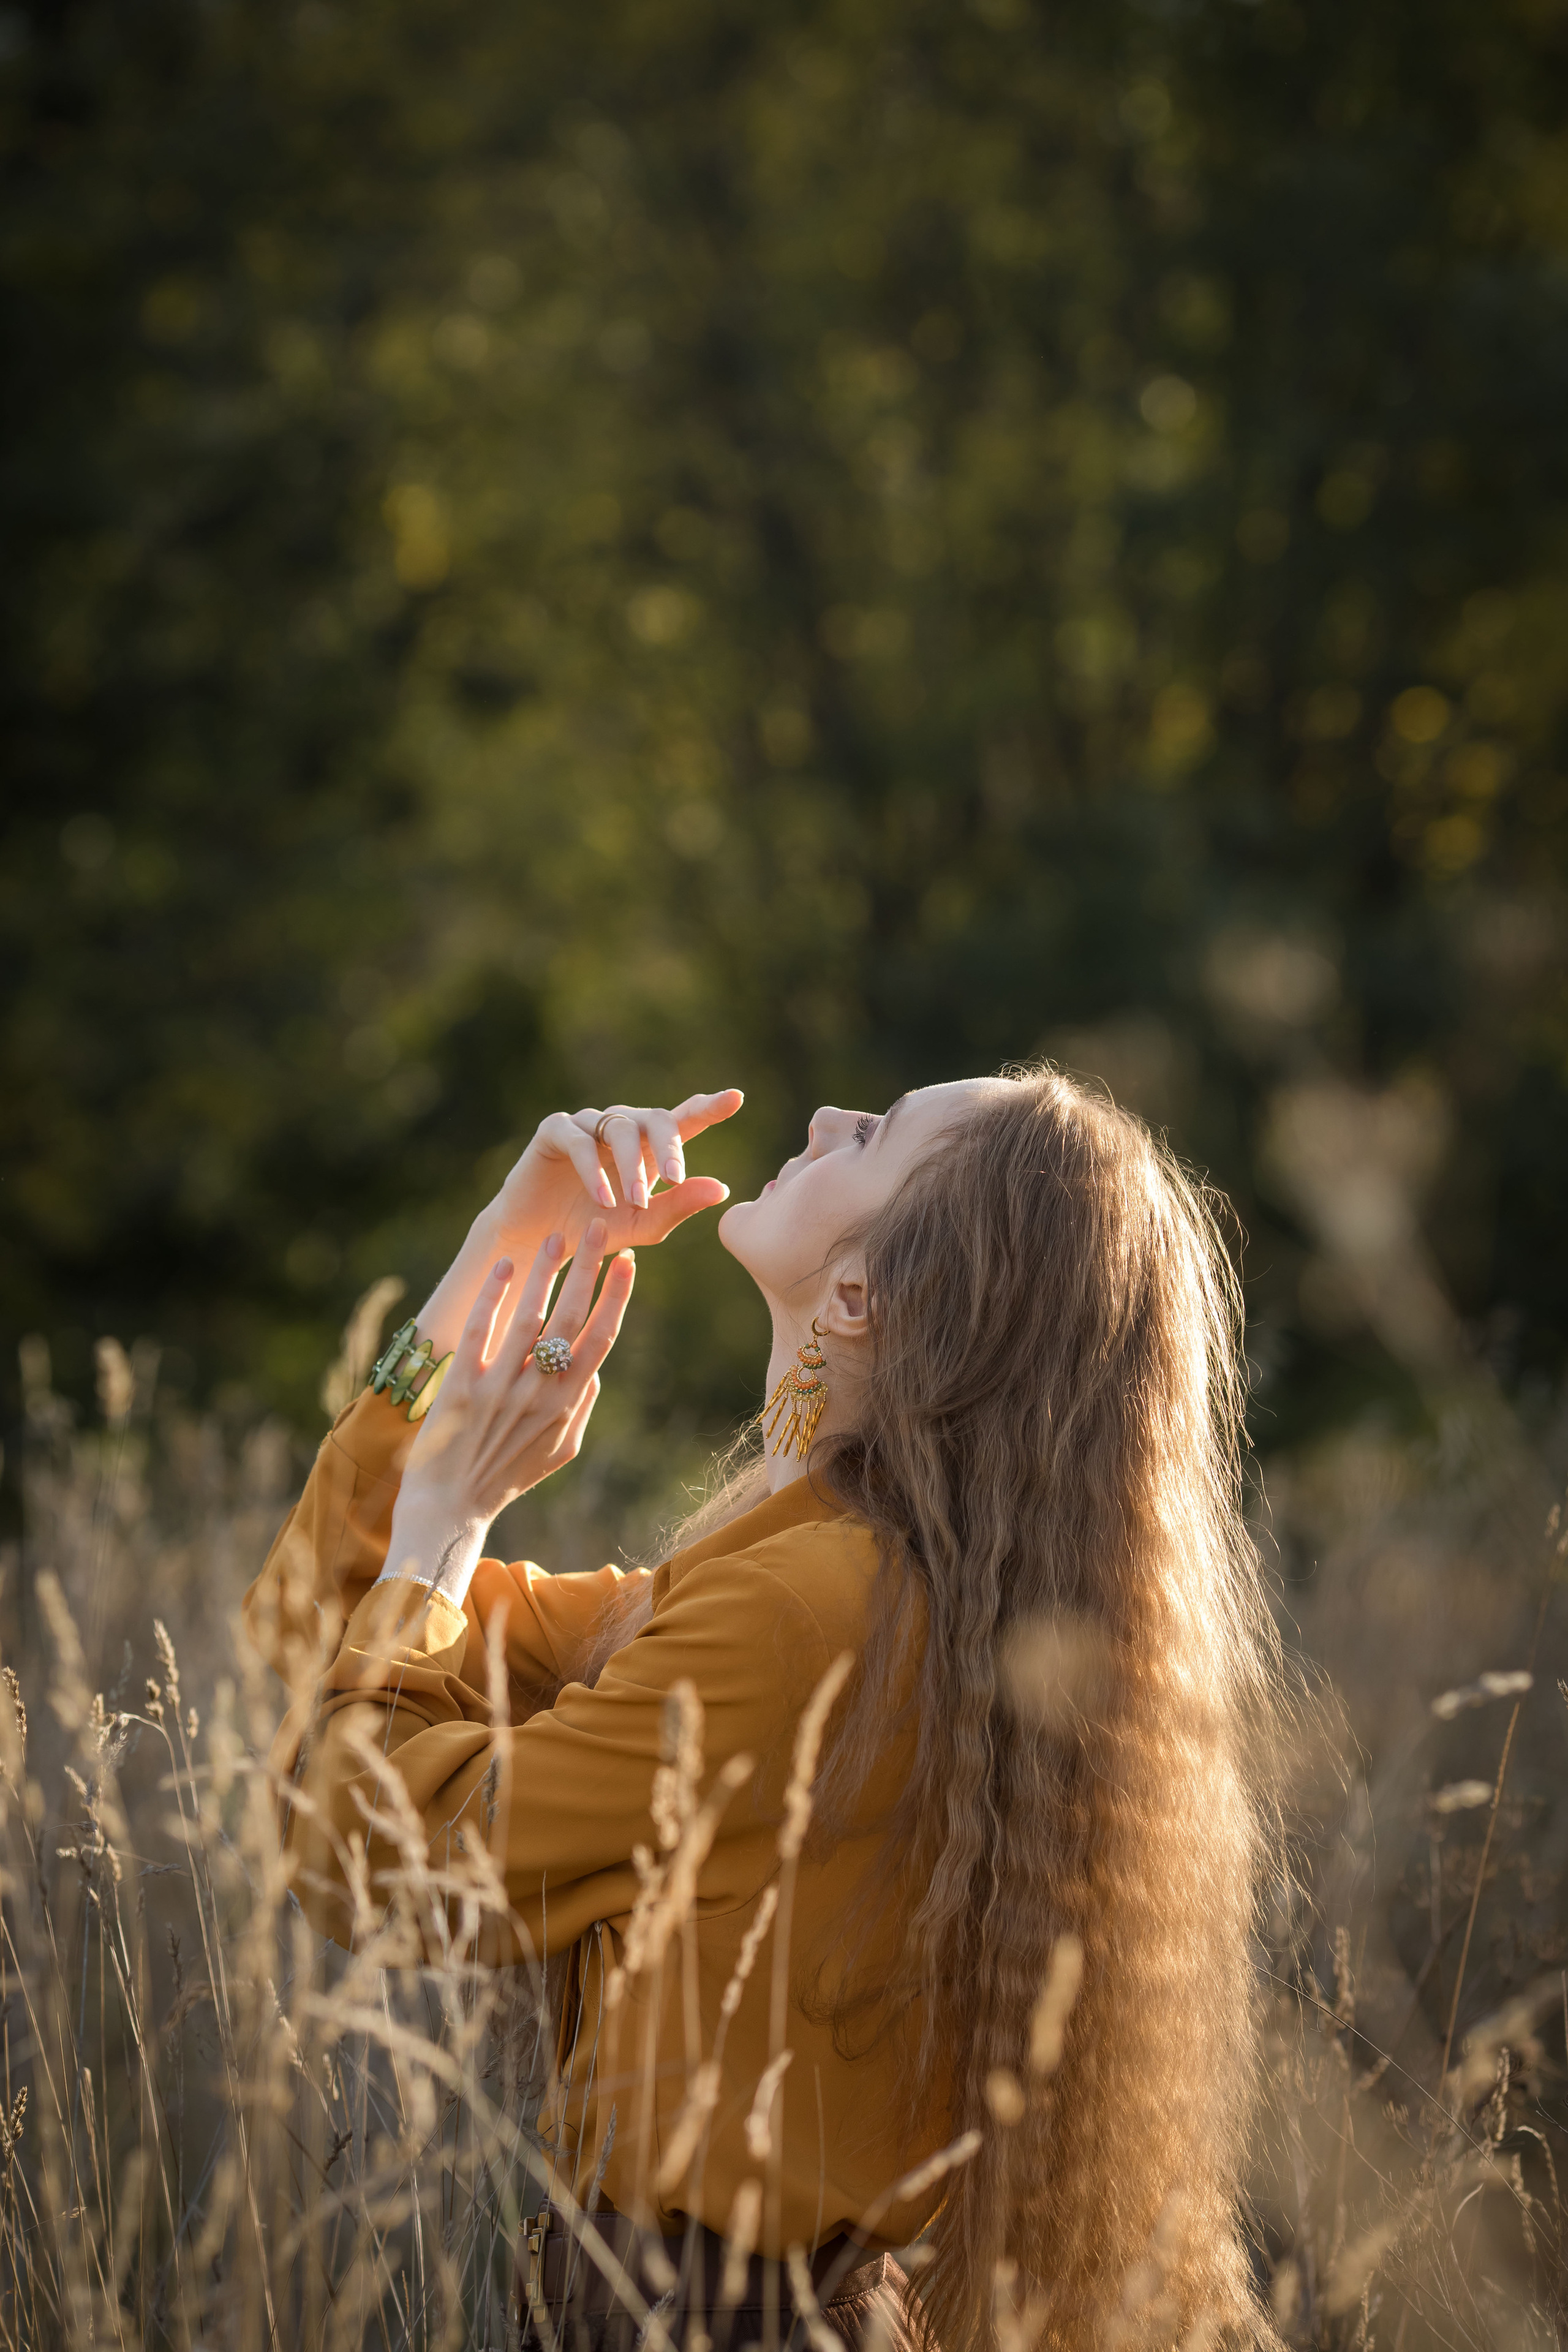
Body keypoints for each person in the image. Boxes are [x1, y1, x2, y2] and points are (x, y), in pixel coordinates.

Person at [245, 1072, 1282, 2352]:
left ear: (861, 1298)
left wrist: (449, 1528)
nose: (822, 1121)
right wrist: (503, 1255)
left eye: (877, 1134)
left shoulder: (799, 1616)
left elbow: (366, 1862)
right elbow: (317, 1622)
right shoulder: (817, 1582)